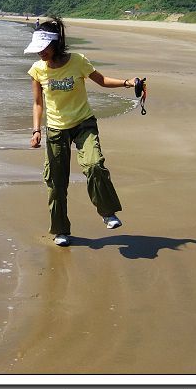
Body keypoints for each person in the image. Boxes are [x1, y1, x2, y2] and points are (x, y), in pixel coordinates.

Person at [25, 16, 139, 247]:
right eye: (37, 49)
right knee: (56, 183)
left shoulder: (78, 61)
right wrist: (36, 130)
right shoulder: (37, 70)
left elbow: (102, 80)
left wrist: (127, 82)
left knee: (94, 164)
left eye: (43, 48)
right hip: (56, 130)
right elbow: (38, 103)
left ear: (56, 43)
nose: (40, 53)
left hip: (83, 124)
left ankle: (107, 212)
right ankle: (60, 230)